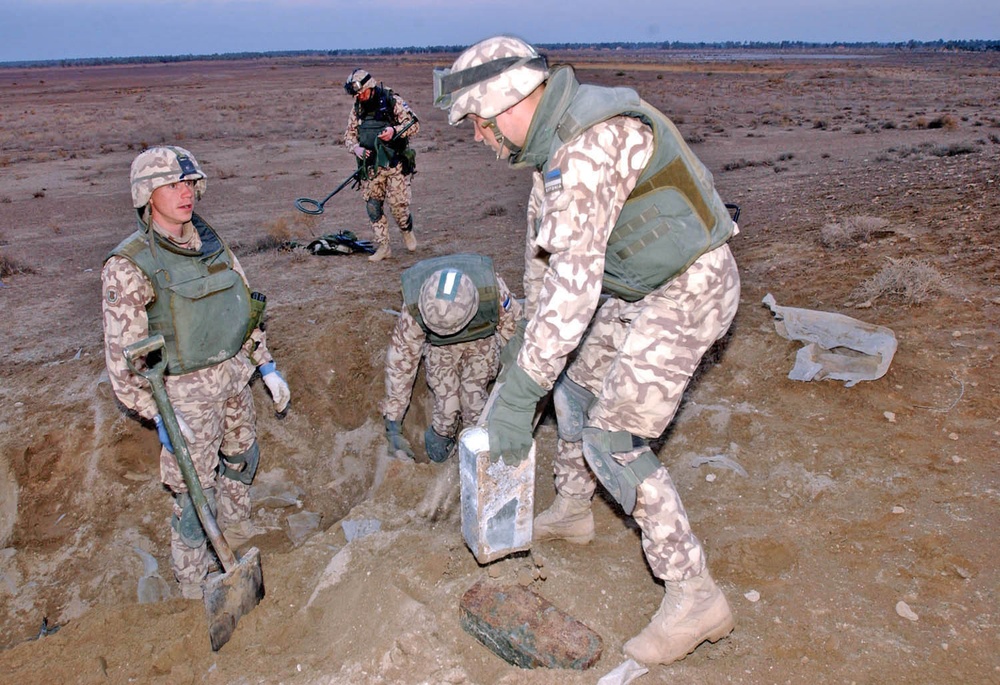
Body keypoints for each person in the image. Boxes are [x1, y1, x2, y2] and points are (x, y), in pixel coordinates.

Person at [434, 36, 742, 666]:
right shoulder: (548, 152)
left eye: (475, 121)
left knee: (614, 439)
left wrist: (517, 397)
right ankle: (575, 507)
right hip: (629, 285)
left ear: (506, 102)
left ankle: (695, 596)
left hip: (689, 286)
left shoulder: (588, 148)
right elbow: (545, 268)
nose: (475, 136)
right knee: (572, 379)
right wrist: (526, 345)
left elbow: (574, 292)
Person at [101, 146, 291, 600]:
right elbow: (124, 362)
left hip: (233, 377)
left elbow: (242, 310)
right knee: (192, 491)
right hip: (184, 397)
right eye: (172, 185)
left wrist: (265, 366)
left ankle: (238, 523)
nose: (185, 193)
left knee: (243, 456)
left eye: (189, 183)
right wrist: (159, 416)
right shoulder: (129, 266)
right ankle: (192, 578)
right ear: (147, 195)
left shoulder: (209, 240)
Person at [380, 253, 522, 463]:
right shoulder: (415, 309)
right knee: (447, 407)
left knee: (474, 405)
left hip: (481, 340)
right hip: (440, 348)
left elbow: (515, 334)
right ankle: (443, 436)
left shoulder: (491, 289)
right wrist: (393, 425)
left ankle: (478, 452)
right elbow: (400, 364)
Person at [343, 68, 420, 262]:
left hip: (395, 165)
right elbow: (349, 136)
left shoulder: (391, 100)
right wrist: (356, 149)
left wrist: (394, 131)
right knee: (373, 206)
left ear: (369, 87)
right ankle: (384, 246)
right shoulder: (357, 109)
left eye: (360, 93)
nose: (358, 98)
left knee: (398, 206)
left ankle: (406, 230)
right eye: (356, 95)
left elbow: (414, 124)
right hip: (371, 167)